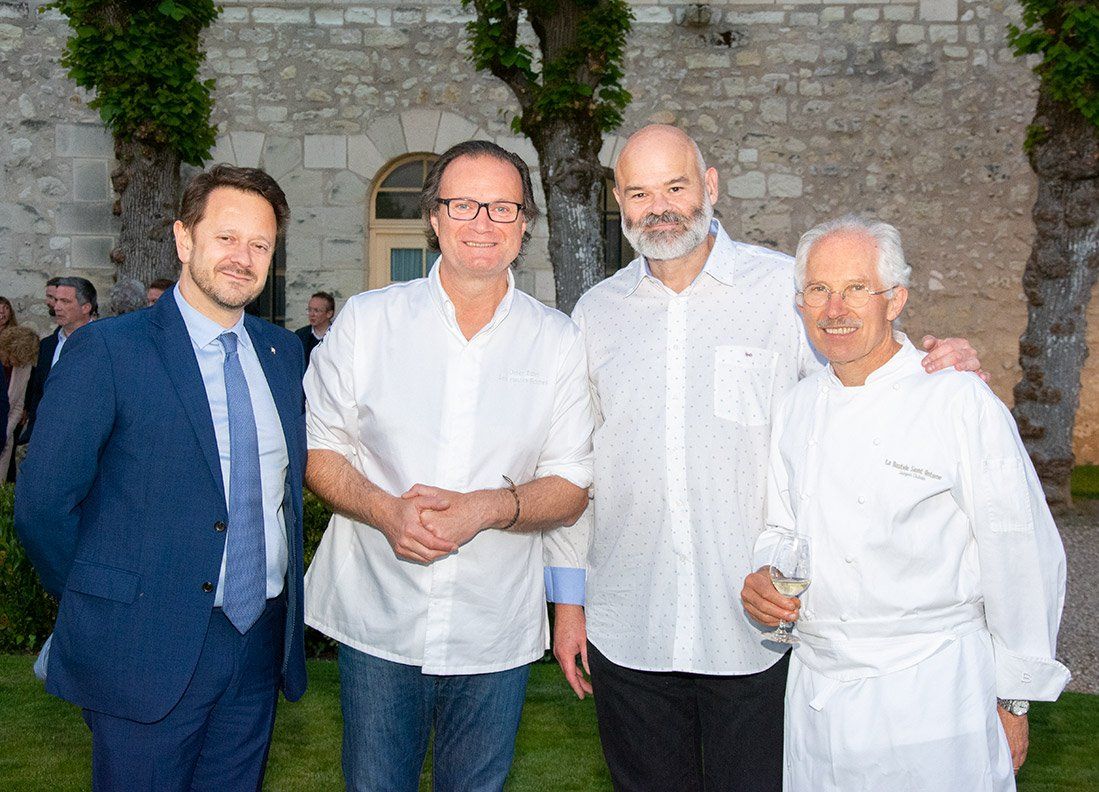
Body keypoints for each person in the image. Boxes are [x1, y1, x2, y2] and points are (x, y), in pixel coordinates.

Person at [550, 125, 983, 792]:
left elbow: (866, 378)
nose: (659, 207)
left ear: (711, 187)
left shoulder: (785, 290)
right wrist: (569, 606)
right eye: (639, 192)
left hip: (755, 630)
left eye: (675, 186)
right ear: (618, 201)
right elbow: (576, 466)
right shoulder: (595, 313)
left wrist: (940, 368)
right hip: (628, 625)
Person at [303, 139, 594, 791]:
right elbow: (320, 452)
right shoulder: (367, 322)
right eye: (463, 205)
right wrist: (386, 511)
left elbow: (572, 484)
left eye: (501, 207)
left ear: (524, 225)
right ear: (433, 218)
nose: (482, 223)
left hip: (491, 622)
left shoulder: (555, 340)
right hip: (379, 612)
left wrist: (486, 508)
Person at [740, 215, 1069, 790]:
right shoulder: (796, 407)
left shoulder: (956, 398)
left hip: (932, 697)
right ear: (801, 303)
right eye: (818, 290)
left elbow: (1020, 552)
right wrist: (768, 575)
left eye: (856, 289)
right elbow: (781, 525)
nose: (834, 309)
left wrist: (1015, 698)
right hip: (818, 698)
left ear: (896, 300)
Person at [15, 164, 308, 790]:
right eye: (226, 237)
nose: (243, 257)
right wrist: (106, 604)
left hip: (257, 640)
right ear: (183, 239)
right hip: (143, 646)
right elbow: (43, 506)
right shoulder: (109, 351)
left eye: (260, 245)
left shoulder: (283, 356)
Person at [20, 276, 97, 445]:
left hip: (85, 441)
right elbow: (38, 393)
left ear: (86, 307)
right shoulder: (47, 345)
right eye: (56, 300)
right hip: (45, 438)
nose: (57, 307)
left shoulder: (104, 344)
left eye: (65, 301)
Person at [0, 325, 38, 480]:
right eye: (16, 357)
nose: (19, 363)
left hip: (4, 441)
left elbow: (17, 407)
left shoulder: (23, 366)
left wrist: (4, 433)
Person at [294, 291, 334, 365]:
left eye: (316, 310)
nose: (311, 314)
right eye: (309, 309)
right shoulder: (300, 335)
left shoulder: (336, 335)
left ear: (329, 314)